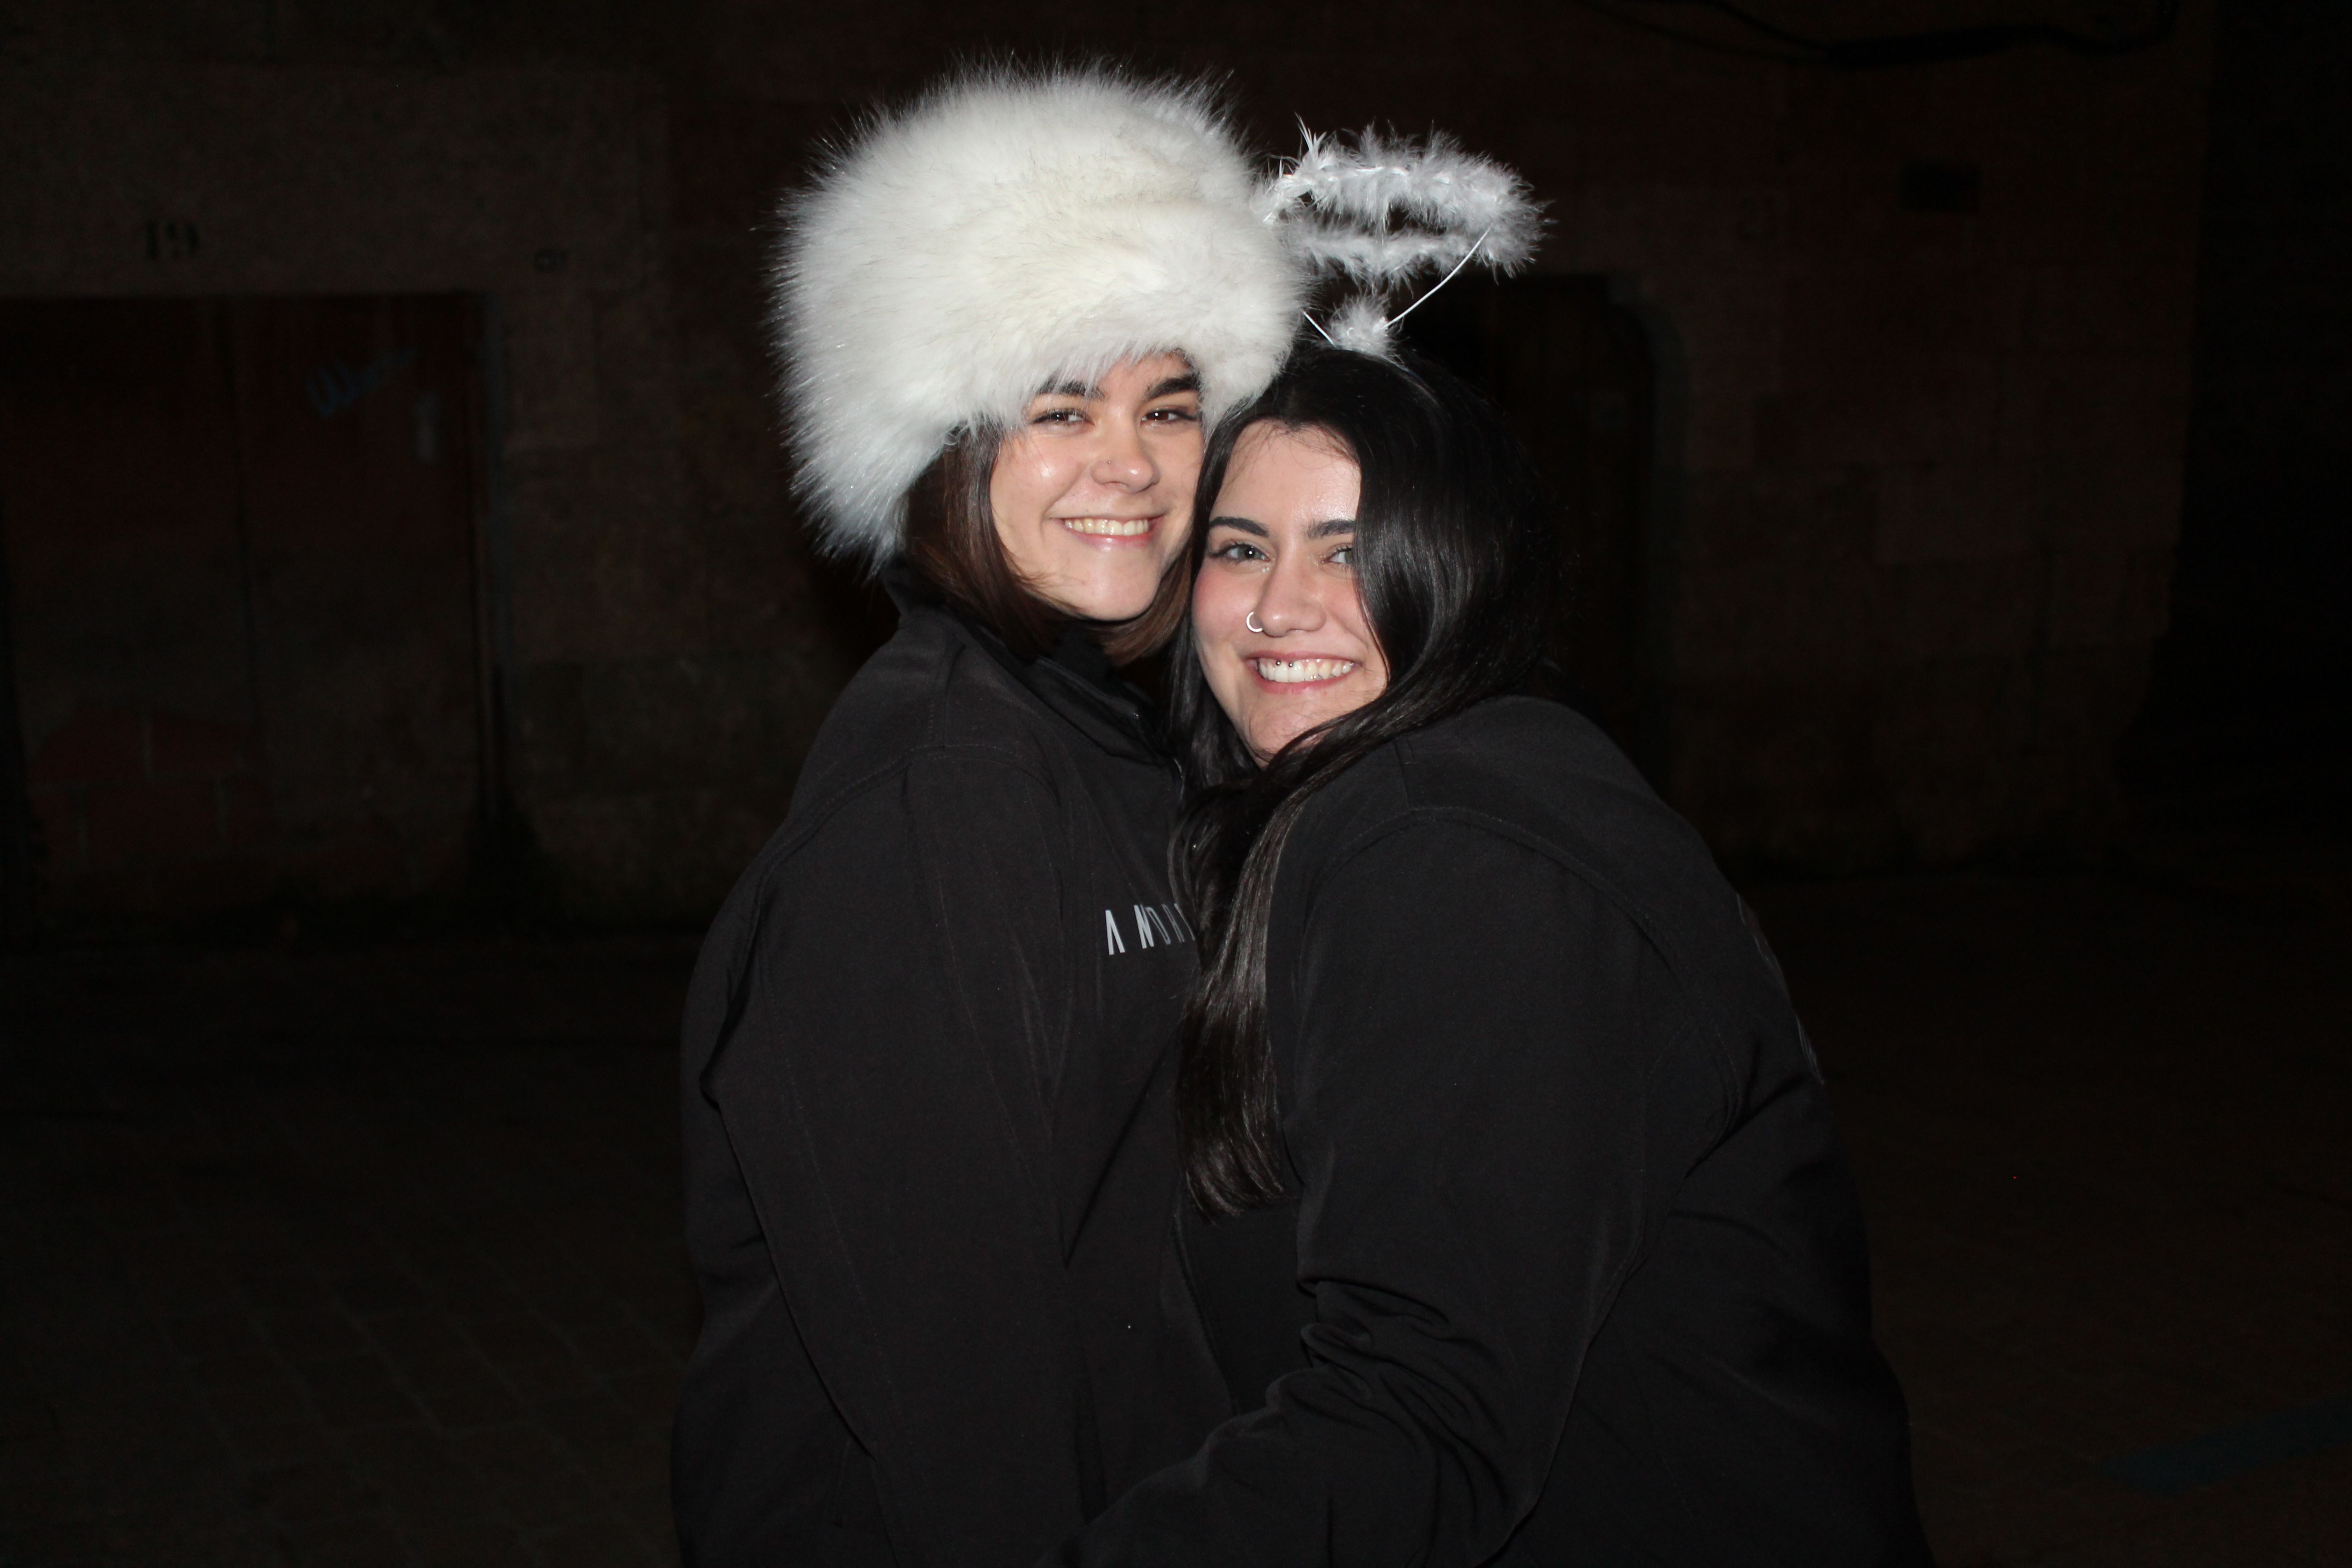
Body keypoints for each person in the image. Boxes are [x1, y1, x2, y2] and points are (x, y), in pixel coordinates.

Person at [1053, 345, 1935, 1565]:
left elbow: (1420, 1414)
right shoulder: (1408, 796)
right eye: (1241, 547)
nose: (1278, 607)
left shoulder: (1450, 852)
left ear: (1463, 567)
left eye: (1352, 551)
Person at [671, 68, 1303, 1567]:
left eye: (1168, 403)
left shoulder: (1124, 738)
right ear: (947, 449)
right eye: (1058, 407)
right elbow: (944, 1359)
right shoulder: (931, 805)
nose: (1129, 465)